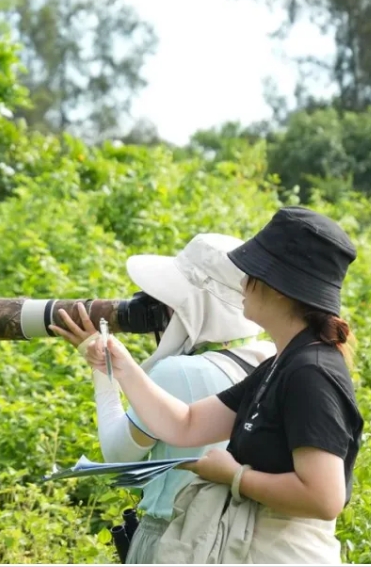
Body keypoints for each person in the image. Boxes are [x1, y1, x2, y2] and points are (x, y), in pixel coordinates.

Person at [84, 207, 364, 563]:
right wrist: (121, 366)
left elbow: (323, 498)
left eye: (253, 271)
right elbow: (186, 423)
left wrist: (235, 476)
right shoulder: (282, 363)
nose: (243, 281)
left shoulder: (312, 373)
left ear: (278, 289)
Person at [51, 233, 276, 564]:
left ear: (195, 307)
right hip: (243, 542)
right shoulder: (271, 361)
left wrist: (102, 369)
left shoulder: (180, 373)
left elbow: (117, 452)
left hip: (174, 540)